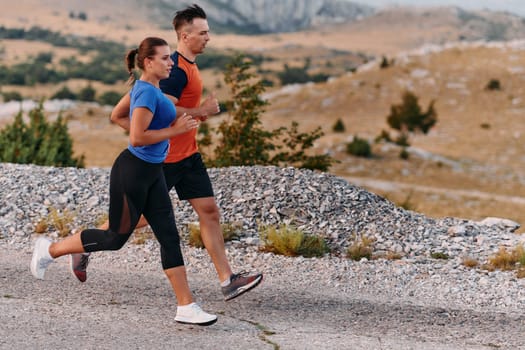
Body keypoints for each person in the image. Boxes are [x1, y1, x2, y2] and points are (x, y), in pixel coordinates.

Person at [70, 4, 262, 301]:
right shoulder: (173, 71)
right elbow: (164, 109)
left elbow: (131, 111)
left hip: (189, 156)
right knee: (136, 220)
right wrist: (199, 111)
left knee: (209, 211)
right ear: (185, 36)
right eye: (203, 33)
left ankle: (228, 280)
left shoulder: (184, 65)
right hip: (167, 158)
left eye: (207, 32)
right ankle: (85, 244)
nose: (208, 38)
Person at [31, 36, 218, 326]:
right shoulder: (145, 93)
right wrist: (174, 130)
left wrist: (165, 133)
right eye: (165, 58)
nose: (171, 62)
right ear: (148, 62)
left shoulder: (149, 87)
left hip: (153, 170)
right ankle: (50, 250)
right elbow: (137, 137)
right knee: (115, 238)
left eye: (171, 57)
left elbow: (116, 115)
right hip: (133, 172)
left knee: (169, 234)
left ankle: (186, 306)